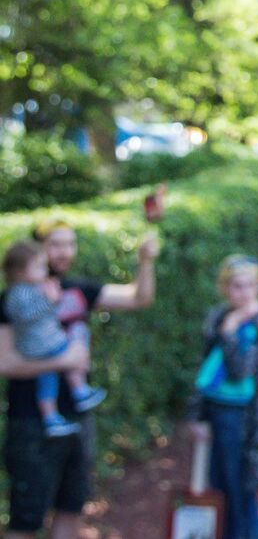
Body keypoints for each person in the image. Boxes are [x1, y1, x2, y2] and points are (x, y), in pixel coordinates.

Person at [0, 219, 158, 539]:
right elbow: (5, 362)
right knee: (25, 519)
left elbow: (138, 298)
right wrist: (65, 360)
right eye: (55, 244)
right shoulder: (13, 299)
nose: (64, 252)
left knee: (71, 508)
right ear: (38, 250)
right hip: (31, 423)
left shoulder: (79, 289)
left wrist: (145, 260)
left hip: (78, 416)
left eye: (70, 243)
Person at [187, 254, 258, 539]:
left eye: (250, 286)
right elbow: (206, 370)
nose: (244, 293)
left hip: (246, 417)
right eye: (237, 286)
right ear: (225, 288)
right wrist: (195, 415)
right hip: (216, 411)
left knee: (240, 484)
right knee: (218, 482)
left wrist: (230, 331)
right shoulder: (217, 316)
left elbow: (240, 371)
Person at [1, 241, 105, 438]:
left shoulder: (30, 288)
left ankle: (51, 418)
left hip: (39, 345)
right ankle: (80, 390)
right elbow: (26, 316)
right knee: (77, 340)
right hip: (42, 344)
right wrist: (50, 300)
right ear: (21, 272)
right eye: (39, 266)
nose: (45, 270)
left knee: (47, 381)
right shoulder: (18, 293)